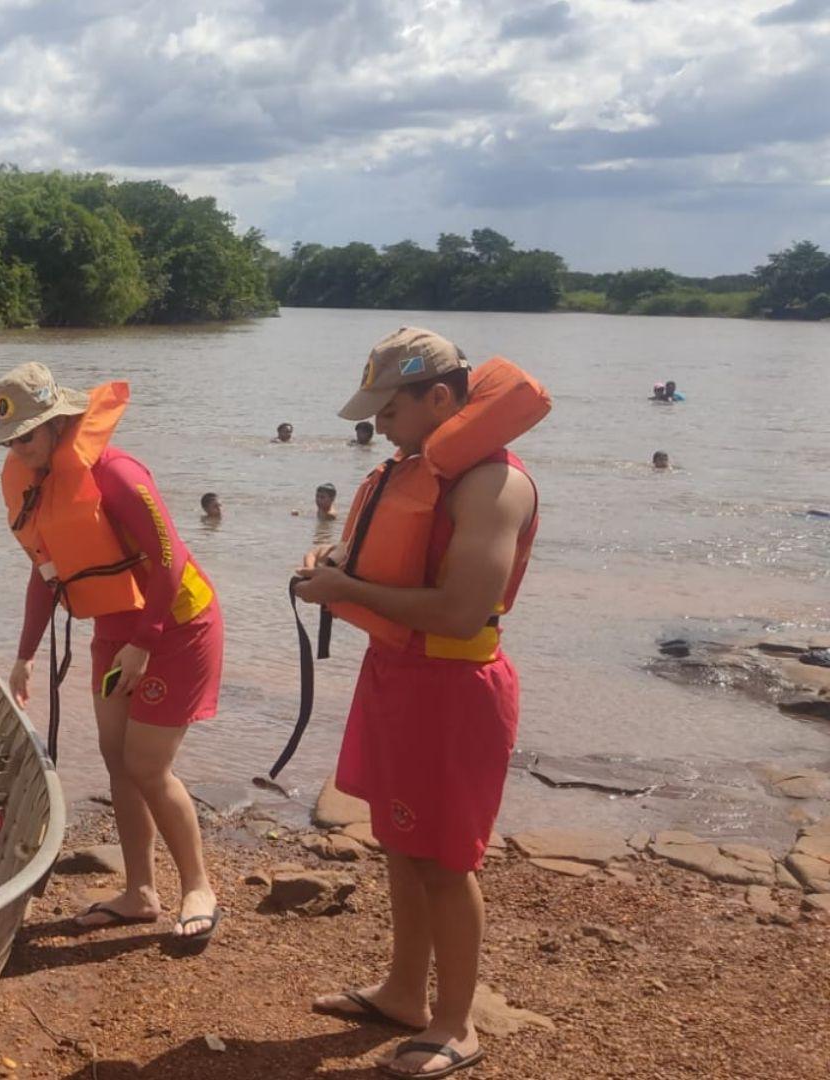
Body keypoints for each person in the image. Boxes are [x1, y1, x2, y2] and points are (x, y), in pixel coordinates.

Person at [294, 327, 546, 1079]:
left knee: (445, 861)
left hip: (454, 692)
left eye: (388, 410)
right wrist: (335, 564)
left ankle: (457, 1024)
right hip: (397, 676)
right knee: (400, 841)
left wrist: (345, 592)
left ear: (439, 398)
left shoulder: (492, 484)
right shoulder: (420, 472)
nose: (378, 426)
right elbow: (401, 572)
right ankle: (405, 994)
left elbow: (463, 611)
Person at [0, 362, 224, 942]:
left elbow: (168, 560)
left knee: (148, 764)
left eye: (25, 437)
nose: (17, 451)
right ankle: (139, 891)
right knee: (116, 758)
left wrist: (145, 644)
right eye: (10, 440)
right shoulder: (36, 484)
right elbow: (45, 576)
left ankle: (198, 885)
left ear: (57, 423)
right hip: (115, 631)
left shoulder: (115, 472)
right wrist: (24, 655)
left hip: (176, 626)